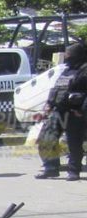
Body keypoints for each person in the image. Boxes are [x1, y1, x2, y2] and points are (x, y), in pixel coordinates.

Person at [36, 42, 87, 181]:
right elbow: (56, 90)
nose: (67, 57)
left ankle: (73, 171)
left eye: (69, 54)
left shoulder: (84, 70)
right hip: (58, 110)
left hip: (76, 111)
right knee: (46, 138)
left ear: (77, 55)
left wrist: (82, 110)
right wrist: (48, 107)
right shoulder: (66, 70)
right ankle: (50, 168)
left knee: (74, 143)